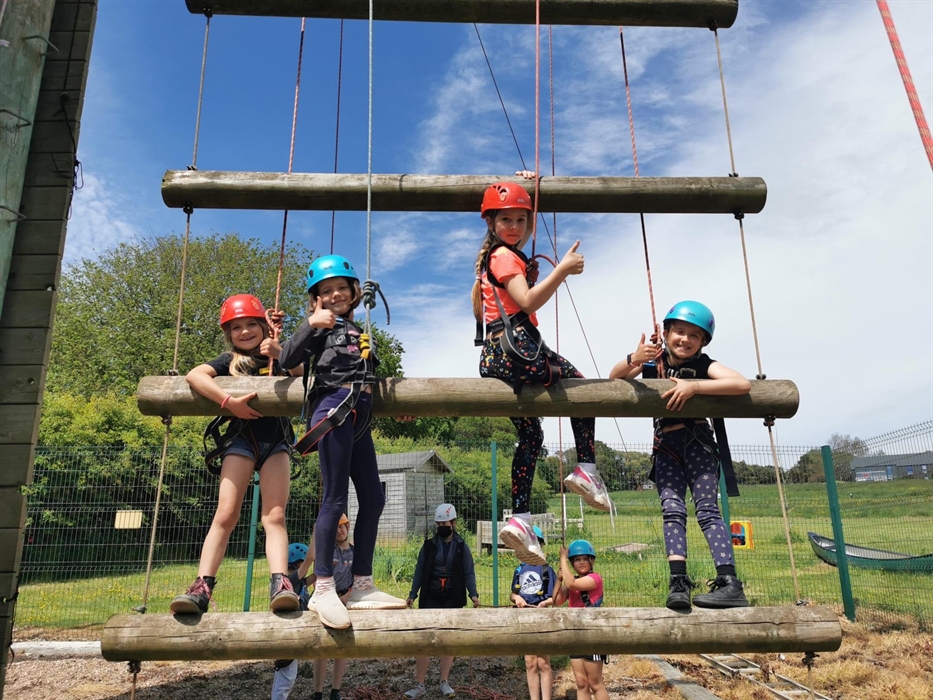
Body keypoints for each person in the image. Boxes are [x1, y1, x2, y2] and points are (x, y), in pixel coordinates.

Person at [472, 179, 612, 566]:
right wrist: (563, 269)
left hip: (498, 356)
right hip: (517, 352)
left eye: (521, 219)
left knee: (531, 436)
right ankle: (586, 469)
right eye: (505, 220)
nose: (514, 226)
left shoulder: (500, 257)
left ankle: (519, 519)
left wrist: (527, 184)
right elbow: (528, 300)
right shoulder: (503, 257)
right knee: (582, 387)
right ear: (491, 222)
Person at [279, 254, 406, 628]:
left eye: (341, 288)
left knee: (374, 497)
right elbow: (288, 357)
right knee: (334, 498)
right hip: (334, 409)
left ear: (353, 292)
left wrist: (399, 406)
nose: (334, 295)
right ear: (315, 298)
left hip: (361, 418)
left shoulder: (358, 331)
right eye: (325, 291)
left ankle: (362, 584)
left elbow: (369, 378)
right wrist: (309, 324)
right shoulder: (319, 327)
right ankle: (323, 589)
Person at [609, 300, 751, 610]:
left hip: (697, 443)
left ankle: (729, 582)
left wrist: (695, 388)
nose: (685, 340)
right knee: (672, 510)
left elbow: (740, 383)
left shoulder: (703, 365)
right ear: (666, 332)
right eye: (680, 332)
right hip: (666, 448)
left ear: (703, 342)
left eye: (694, 336)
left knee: (707, 510)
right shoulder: (653, 363)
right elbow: (615, 378)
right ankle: (678, 582)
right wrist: (634, 357)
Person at [171, 294, 301, 614]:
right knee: (226, 514)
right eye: (236, 328)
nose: (244, 332)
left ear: (262, 326)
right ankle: (202, 586)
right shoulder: (228, 360)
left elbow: (301, 375)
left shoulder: (276, 356)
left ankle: (280, 583)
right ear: (229, 334)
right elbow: (194, 375)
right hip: (241, 440)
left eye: (251, 325)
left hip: (276, 442)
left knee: (275, 516)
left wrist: (280, 351)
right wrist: (230, 403)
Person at [404, 503, 480, 700]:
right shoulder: (428, 546)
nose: (441, 527)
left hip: (452, 597)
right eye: (438, 524)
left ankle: (444, 681)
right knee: (424, 639)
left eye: (444, 523)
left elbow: (468, 572)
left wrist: (473, 594)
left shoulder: (462, 547)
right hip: (430, 595)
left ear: (453, 523)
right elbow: (420, 570)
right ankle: (419, 684)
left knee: (448, 640)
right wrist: (413, 594)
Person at [272, 518, 353, 700]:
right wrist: (318, 531)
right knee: (286, 676)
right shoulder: (291, 581)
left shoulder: (297, 581)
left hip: (295, 630)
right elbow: (310, 560)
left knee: (288, 677)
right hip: (289, 633)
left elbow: (314, 576)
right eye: (301, 565)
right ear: (297, 566)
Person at [553, 540, 608, 700]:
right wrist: (558, 579)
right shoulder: (573, 582)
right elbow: (557, 600)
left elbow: (572, 583)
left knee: (595, 682)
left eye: (585, 558)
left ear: (592, 561)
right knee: (582, 682)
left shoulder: (594, 579)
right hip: (575, 635)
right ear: (573, 563)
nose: (581, 562)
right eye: (577, 559)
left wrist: (563, 558)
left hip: (593, 635)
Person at [510, 526, 556, 700]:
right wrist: (517, 599)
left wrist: (545, 603)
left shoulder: (546, 570)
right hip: (524, 617)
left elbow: (555, 597)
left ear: (541, 545)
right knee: (530, 662)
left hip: (542, 617)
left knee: (543, 663)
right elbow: (513, 593)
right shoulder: (519, 569)